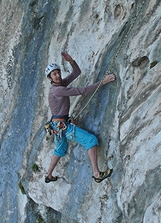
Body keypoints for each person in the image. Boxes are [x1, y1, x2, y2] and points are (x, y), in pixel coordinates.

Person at [44, 51, 115, 183]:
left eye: (58, 72)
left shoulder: (60, 85)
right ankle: (97, 174)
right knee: (91, 140)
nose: (58, 75)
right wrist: (103, 82)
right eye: (54, 74)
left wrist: (71, 61)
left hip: (58, 126)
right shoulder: (57, 89)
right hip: (62, 127)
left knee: (60, 150)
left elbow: (76, 73)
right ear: (50, 78)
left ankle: (48, 175)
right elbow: (82, 91)